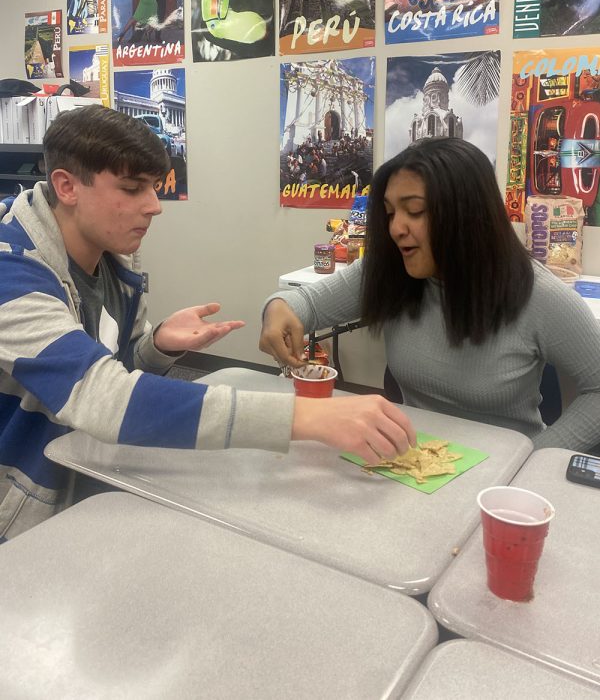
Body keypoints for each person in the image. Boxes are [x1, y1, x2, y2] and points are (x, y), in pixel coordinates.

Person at [0, 105, 415, 541]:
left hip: (89, 483)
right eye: (131, 188)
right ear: (66, 186)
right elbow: (102, 399)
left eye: (154, 188)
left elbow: (112, 373)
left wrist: (156, 346)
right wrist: (307, 416)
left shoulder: (113, 262)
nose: (154, 207)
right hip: (25, 521)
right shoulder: (11, 272)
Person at [260, 137, 600, 452]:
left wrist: (533, 461)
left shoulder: (537, 296)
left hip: (502, 481)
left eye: (415, 211)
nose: (395, 228)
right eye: (391, 212)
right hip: (414, 462)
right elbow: (302, 303)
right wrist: (277, 309)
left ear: (468, 215)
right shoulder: (391, 272)